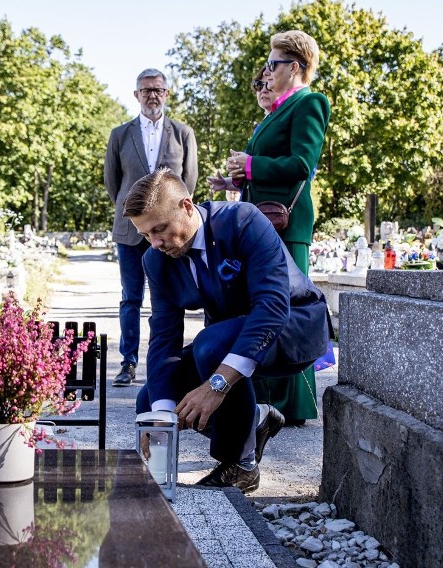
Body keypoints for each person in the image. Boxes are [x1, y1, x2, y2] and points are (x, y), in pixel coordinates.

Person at [124, 168, 329, 492]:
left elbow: (273, 306)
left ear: (187, 207)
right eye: (146, 234)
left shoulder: (242, 220)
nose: (155, 242)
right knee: (150, 398)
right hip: (227, 340)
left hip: (293, 325)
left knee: (209, 344)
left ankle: (240, 463)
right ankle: (256, 419)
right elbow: (164, 337)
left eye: (160, 229)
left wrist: (216, 386)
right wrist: (161, 418)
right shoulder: (156, 260)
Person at [224, 30, 331, 426]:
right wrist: (238, 176)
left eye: (273, 64)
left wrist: (251, 166)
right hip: (262, 219)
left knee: (291, 309)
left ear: (296, 67)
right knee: (263, 305)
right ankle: (266, 398)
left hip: (287, 222)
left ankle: (296, 406)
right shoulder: (277, 112)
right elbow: (266, 166)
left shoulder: (310, 103)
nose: (267, 71)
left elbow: (302, 163)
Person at [104, 68, 198, 387]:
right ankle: (128, 363)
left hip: (170, 229)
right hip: (130, 231)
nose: (152, 95)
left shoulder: (183, 133)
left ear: (166, 93)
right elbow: (112, 182)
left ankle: (167, 363)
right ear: (136, 95)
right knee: (131, 297)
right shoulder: (120, 134)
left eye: (158, 89)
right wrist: (135, 214)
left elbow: (189, 182)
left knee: (169, 297)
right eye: (146, 91)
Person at [207, 66, 273, 199]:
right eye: (259, 85)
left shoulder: (291, 119)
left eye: (269, 85)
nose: (264, 90)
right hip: (253, 208)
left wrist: (249, 163)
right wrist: (227, 182)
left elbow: (302, 170)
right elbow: (252, 177)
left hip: (275, 210)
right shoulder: (259, 128)